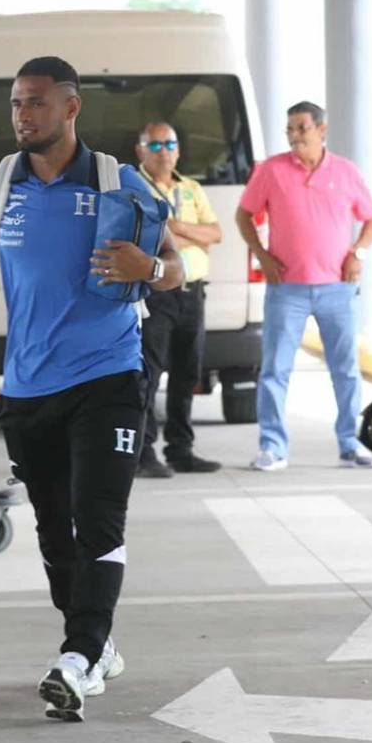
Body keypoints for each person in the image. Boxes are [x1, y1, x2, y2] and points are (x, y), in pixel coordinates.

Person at [0, 56, 185, 722]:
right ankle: (96, 642)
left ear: (70, 107)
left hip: (109, 375)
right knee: (55, 532)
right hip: (27, 386)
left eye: (35, 103)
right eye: (17, 104)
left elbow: (175, 269)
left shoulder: (120, 181)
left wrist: (150, 267)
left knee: (99, 518)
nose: (23, 115)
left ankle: (78, 657)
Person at [234, 101, 372, 471]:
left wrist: (357, 253)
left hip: (337, 289)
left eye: (301, 128)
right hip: (287, 289)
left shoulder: (346, 172)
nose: (295, 136)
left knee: (345, 369)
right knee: (274, 370)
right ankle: (272, 447)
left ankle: (351, 444)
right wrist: (262, 256)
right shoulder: (271, 171)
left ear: (321, 130)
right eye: (290, 129)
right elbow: (243, 215)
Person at [133, 121, 223, 478]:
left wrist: (176, 228)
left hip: (192, 292)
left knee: (188, 374)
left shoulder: (191, 188)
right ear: (140, 150)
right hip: (156, 293)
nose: (164, 151)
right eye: (154, 146)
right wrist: (185, 234)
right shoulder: (134, 187)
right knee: (148, 375)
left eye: (169, 144)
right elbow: (147, 239)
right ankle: (143, 453)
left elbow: (214, 233)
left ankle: (181, 449)